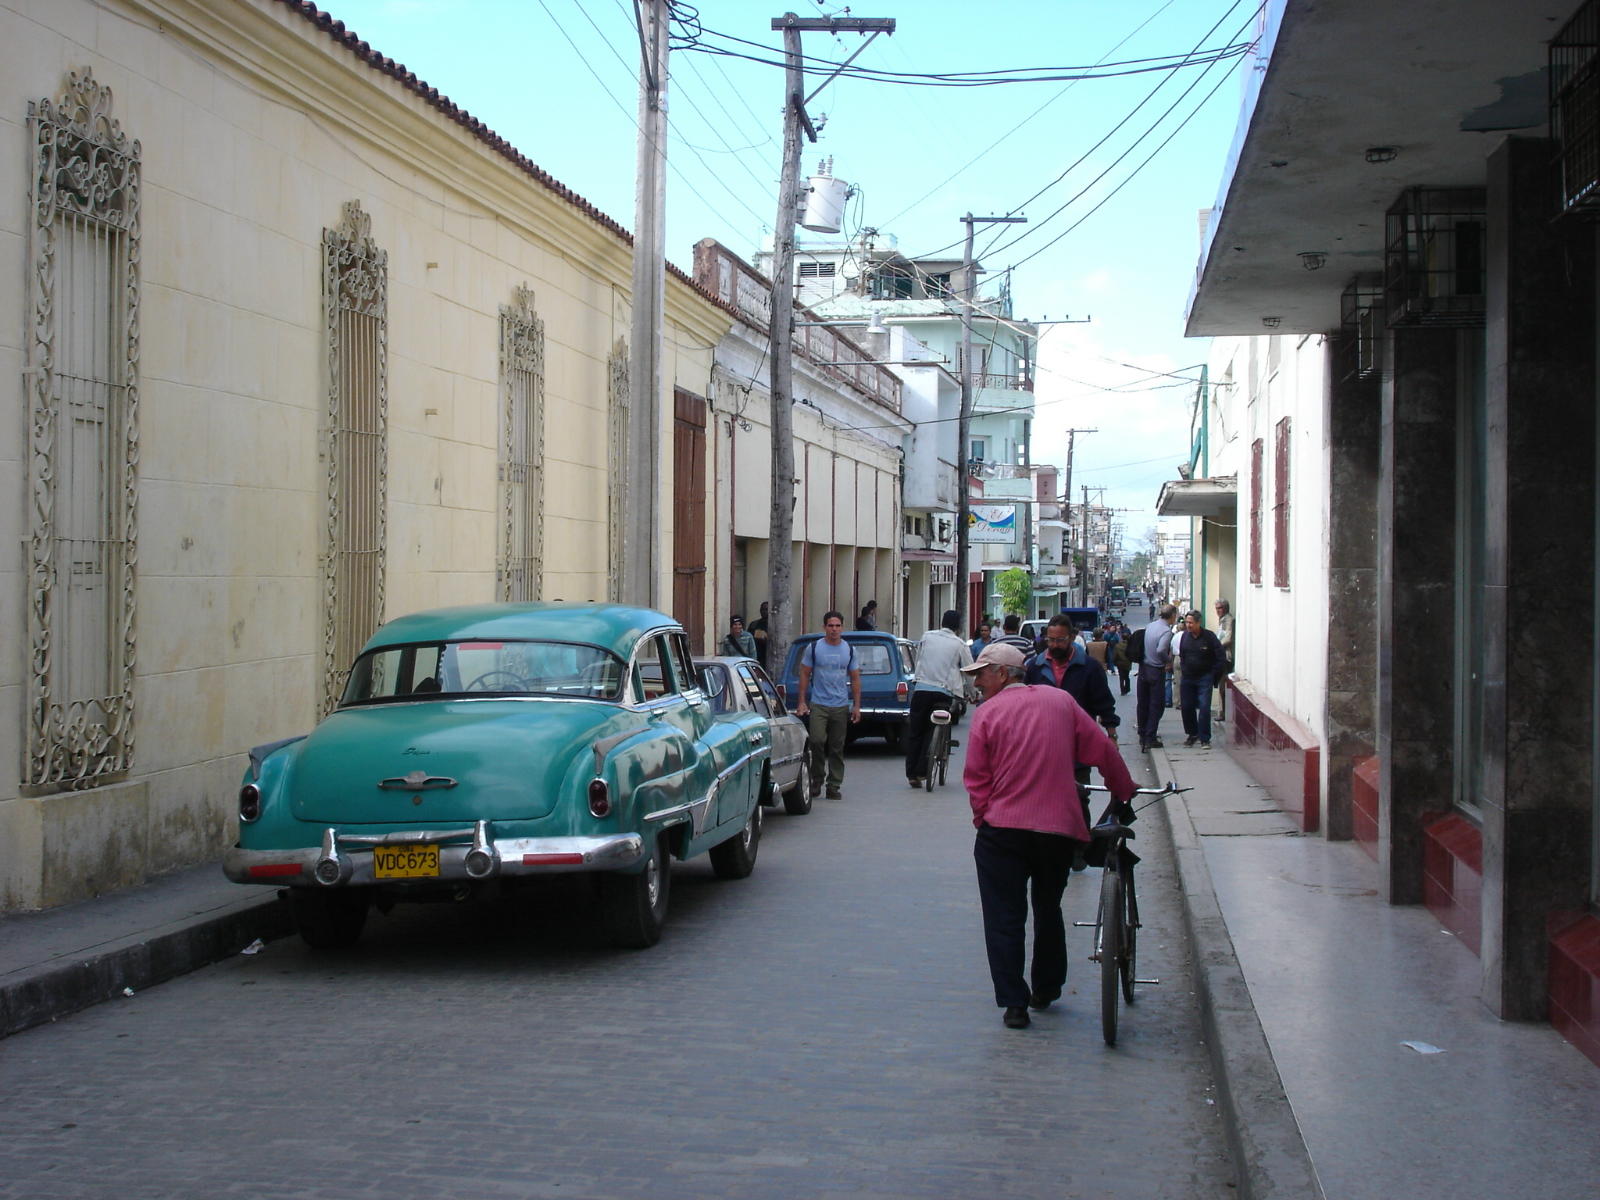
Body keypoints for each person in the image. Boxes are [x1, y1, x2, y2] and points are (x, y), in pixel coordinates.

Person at [961, 642, 1138, 1030]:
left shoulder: (988, 713)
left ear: (1003, 674)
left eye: (982, 674)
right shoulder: (1060, 703)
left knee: (1004, 916)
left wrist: (984, 819)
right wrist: (1123, 790)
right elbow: (1102, 752)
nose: (977, 682)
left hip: (1002, 831)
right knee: (1048, 907)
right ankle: (1047, 987)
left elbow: (977, 778)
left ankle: (1014, 1003)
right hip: (1056, 830)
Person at [1022, 615, 1120, 771]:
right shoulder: (1035, 667)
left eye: (1060, 640)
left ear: (1072, 637)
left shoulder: (1089, 668)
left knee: (1078, 793)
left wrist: (1112, 736)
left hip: (1078, 748)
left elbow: (1104, 704)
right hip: (1043, 747)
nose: (1054, 645)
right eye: (1051, 640)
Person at [795, 611, 861, 800]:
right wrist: (802, 701)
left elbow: (855, 678)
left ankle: (834, 784)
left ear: (842, 627)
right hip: (819, 703)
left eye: (838, 626)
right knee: (816, 740)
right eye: (831, 626)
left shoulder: (849, 650)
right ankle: (817, 779)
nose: (834, 629)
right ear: (824, 627)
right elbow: (805, 674)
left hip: (840, 705)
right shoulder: (814, 648)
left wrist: (856, 706)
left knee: (837, 746)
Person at [905, 609, 973, 786]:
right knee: (931, 728)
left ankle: (912, 774)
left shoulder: (927, 636)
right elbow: (969, 672)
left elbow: (919, 659)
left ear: (941, 622)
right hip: (943, 692)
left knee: (915, 732)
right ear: (958, 626)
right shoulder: (959, 644)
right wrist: (974, 693)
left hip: (920, 689)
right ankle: (923, 769)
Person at [1177, 610, 1228, 747]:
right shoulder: (1185, 637)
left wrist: (1213, 676)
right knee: (1187, 707)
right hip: (1188, 678)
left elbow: (1220, 658)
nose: (1188, 625)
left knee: (1204, 707)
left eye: (1191, 623)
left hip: (1204, 677)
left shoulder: (1209, 637)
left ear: (1199, 623)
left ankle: (1205, 738)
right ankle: (1192, 733)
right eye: (1187, 622)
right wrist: (1184, 669)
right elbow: (1182, 655)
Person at [1136, 605, 1178, 752]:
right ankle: (1150, 736)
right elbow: (1161, 649)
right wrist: (1168, 661)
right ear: (1172, 615)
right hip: (1155, 670)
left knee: (1143, 703)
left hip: (1144, 669)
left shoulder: (1150, 626)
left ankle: (1142, 733)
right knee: (1156, 705)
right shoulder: (1166, 631)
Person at [1213, 598, 1234, 721]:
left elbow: (1228, 638)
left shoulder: (1228, 620)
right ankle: (1221, 711)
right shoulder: (1222, 620)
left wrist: (1217, 647)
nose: (1218, 611)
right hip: (1220, 656)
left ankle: (1222, 712)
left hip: (1225, 656)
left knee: (1222, 686)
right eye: (1216, 608)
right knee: (1220, 686)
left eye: (1220, 608)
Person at [747, 601, 770, 669]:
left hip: (769, 657)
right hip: (756, 656)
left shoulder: (774, 625)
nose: (764, 611)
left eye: (766, 609)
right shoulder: (754, 624)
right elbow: (748, 639)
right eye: (762, 609)